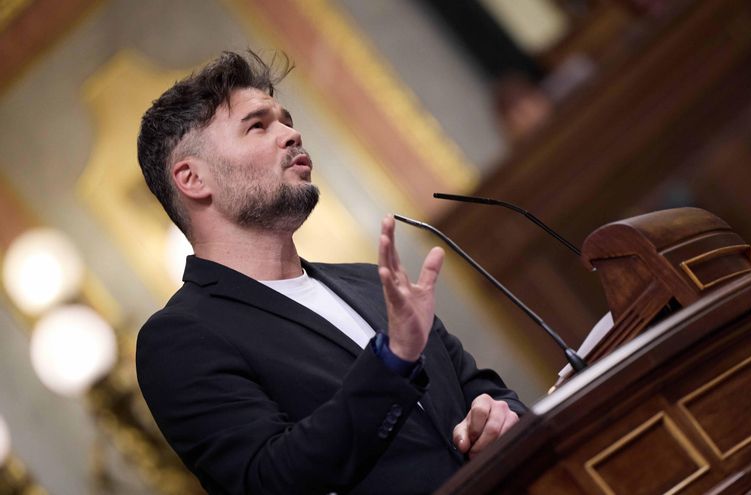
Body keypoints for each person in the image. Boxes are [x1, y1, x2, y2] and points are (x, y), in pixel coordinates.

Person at [134, 50, 526, 494]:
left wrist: (499, 414)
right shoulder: (181, 337)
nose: (292, 134)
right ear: (192, 180)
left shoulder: (370, 283)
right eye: (258, 125)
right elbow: (271, 479)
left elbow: (486, 392)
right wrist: (392, 361)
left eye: (285, 119)